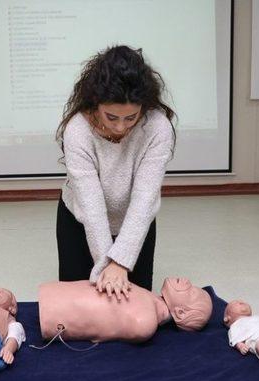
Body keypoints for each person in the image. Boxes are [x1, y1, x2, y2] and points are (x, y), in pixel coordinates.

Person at [55, 45, 176, 298]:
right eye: (111, 117)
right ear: (95, 104)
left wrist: (120, 261)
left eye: (131, 118)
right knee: (78, 307)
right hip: (79, 223)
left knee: (135, 305)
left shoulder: (158, 128)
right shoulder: (78, 130)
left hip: (134, 224)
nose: (121, 127)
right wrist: (105, 263)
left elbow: (145, 199)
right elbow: (91, 206)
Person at [38, 277, 212, 343]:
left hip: (59, 313)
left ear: (180, 313)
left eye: (191, 292)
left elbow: (106, 331)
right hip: (65, 297)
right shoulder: (150, 300)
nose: (188, 282)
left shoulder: (146, 322)